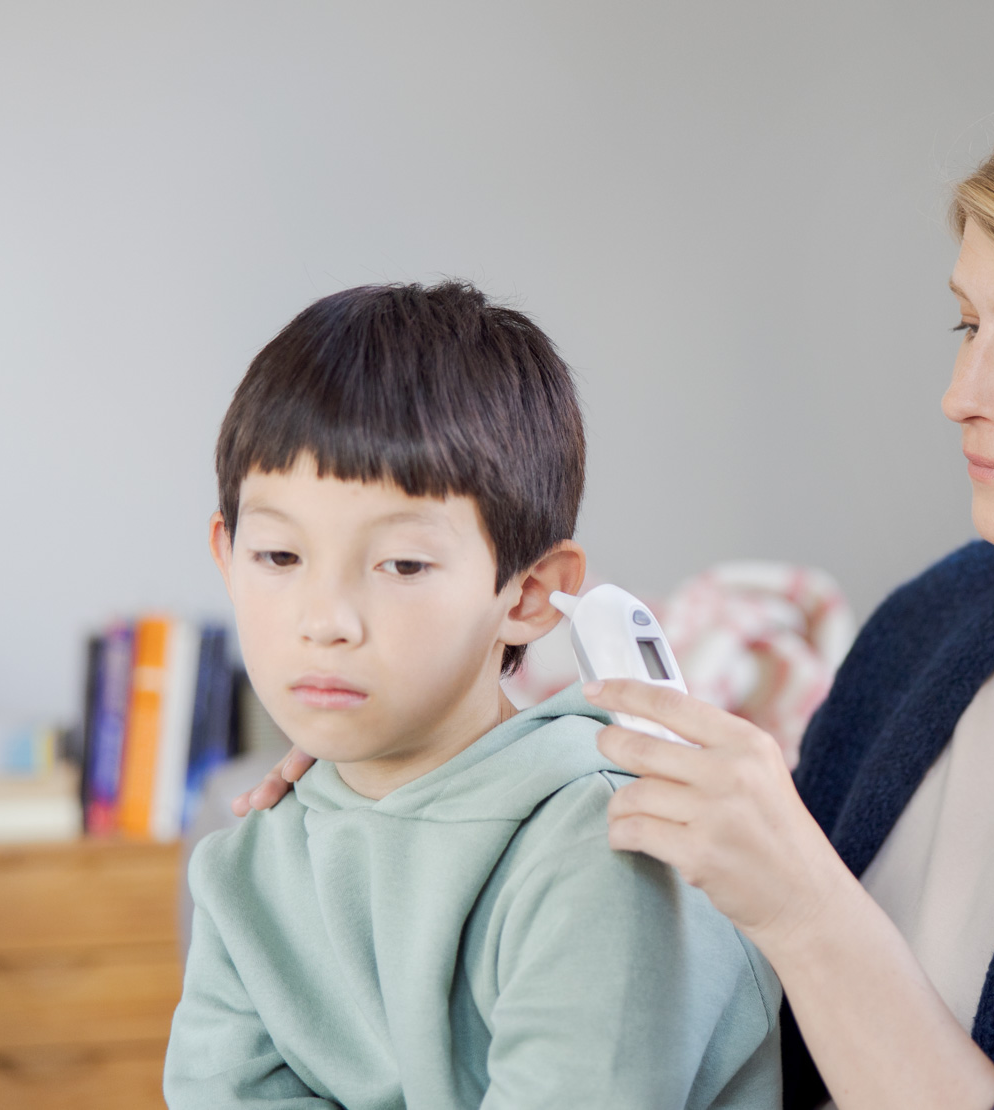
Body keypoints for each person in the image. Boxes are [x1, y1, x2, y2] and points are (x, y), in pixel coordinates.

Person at [240, 72, 994, 1110]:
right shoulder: (947, 620)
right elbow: (721, 1011)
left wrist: (803, 901)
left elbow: (804, 936)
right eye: (965, 327)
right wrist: (407, 777)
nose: (965, 394)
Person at [166, 281, 780, 1109]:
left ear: (527, 597)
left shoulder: (603, 847)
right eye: (279, 557)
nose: (326, 621)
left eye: (403, 565)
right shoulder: (242, 871)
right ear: (225, 551)